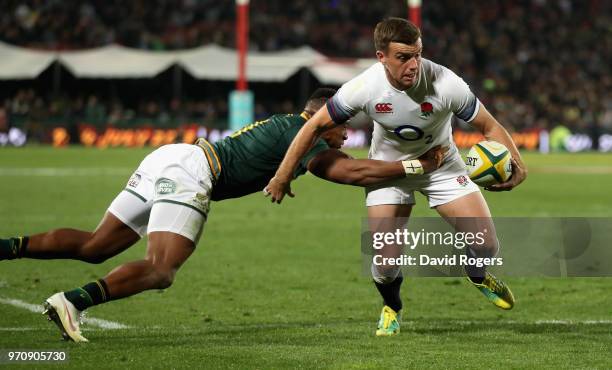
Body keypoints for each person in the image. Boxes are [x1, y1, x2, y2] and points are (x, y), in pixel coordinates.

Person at [0, 88, 447, 342]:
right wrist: (417, 165)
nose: (348, 132)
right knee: (161, 270)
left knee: (96, 245)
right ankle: (72, 302)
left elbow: (289, 157)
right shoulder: (304, 130)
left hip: (170, 158)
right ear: (321, 116)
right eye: (343, 123)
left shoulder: (289, 126)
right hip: (194, 172)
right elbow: (351, 173)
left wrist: (284, 173)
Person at [265, 18, 528, 336]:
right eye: (403, 57)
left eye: (417, 54)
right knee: (386, 264)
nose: (414, 64)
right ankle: (392, 307)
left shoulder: (445, 82)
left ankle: (476, 273)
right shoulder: (364, 88)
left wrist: (517, 162)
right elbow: (314, 125)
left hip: (441, 166)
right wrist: (282, 175)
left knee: (486, 245)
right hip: (389, 171)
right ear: (381, 57)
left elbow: (489, 126)